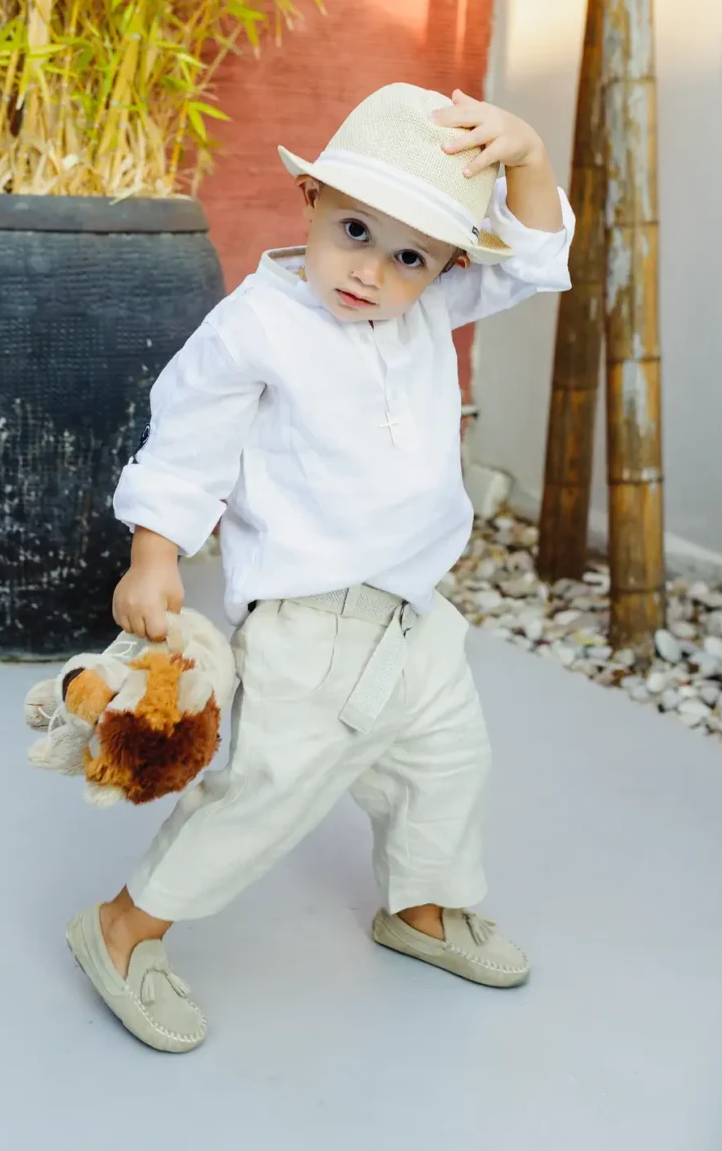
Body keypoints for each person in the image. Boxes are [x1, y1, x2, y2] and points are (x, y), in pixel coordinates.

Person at [64, 82, 574, 1053]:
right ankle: (123, 927)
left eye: (409, 256)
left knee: (445, 767)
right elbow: (187, 446)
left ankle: (419, 910)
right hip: (307, 624)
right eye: (354, 231)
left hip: (414, 615)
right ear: (311, 204)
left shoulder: (426, 308)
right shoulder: (258, 326)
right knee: (262, 792)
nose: (372, 273)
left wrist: (529, 159)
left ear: (446, 267)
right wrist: (155, 552)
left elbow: (539, 261)